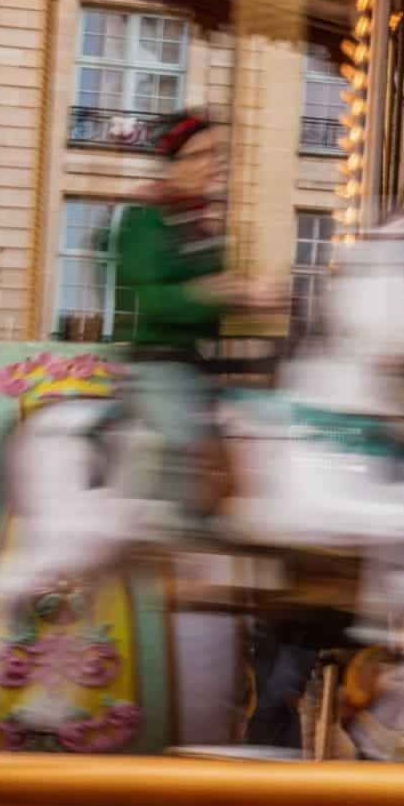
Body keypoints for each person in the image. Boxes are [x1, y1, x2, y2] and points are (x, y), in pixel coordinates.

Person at [112, 112, 279, 526]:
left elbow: (213, 306)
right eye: (202, 154)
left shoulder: (204, 224)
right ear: (176, 162)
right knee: (197, 459)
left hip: (203, 366)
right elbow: (150, 300)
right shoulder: (146, 217)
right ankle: (179, 534)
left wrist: (250, 300)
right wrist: (214, 292)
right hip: (159, 364)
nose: (214, 163)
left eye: (218, 153)